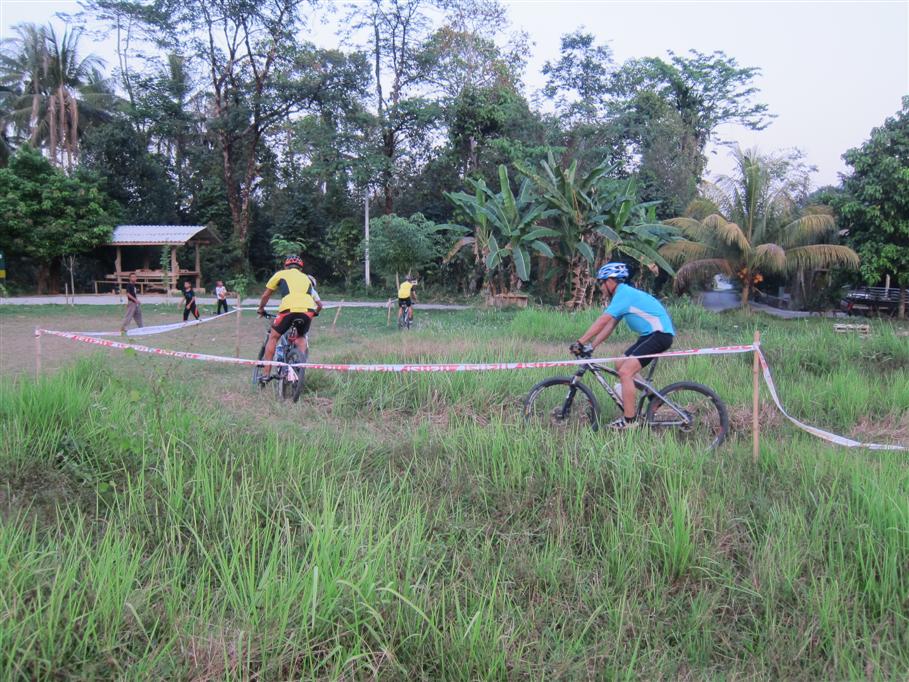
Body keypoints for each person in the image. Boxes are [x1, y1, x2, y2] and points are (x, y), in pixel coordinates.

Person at [570, 262, 675, 430]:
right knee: (620, 363)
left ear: (611, 281)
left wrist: (580, 342)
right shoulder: (623, 294)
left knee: (626, 372)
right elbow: (610, 325)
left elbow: (602, 320)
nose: (601, 288)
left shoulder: (623, 294)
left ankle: (629, 420)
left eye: (601, 283)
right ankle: (653, 397)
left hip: (659, 335)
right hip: (651, 335)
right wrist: (592, 346)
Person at [256, 255, 323, 379]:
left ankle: (266, 373)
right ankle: (300, 368)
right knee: (301, 336)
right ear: (300, 268)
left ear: (286, 266)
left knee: (273, 337)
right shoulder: (306, 278)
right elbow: (317, 302)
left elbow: (266, 295)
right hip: (308, 311)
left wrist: (261, 309)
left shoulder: (280, 274)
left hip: (288, 310)